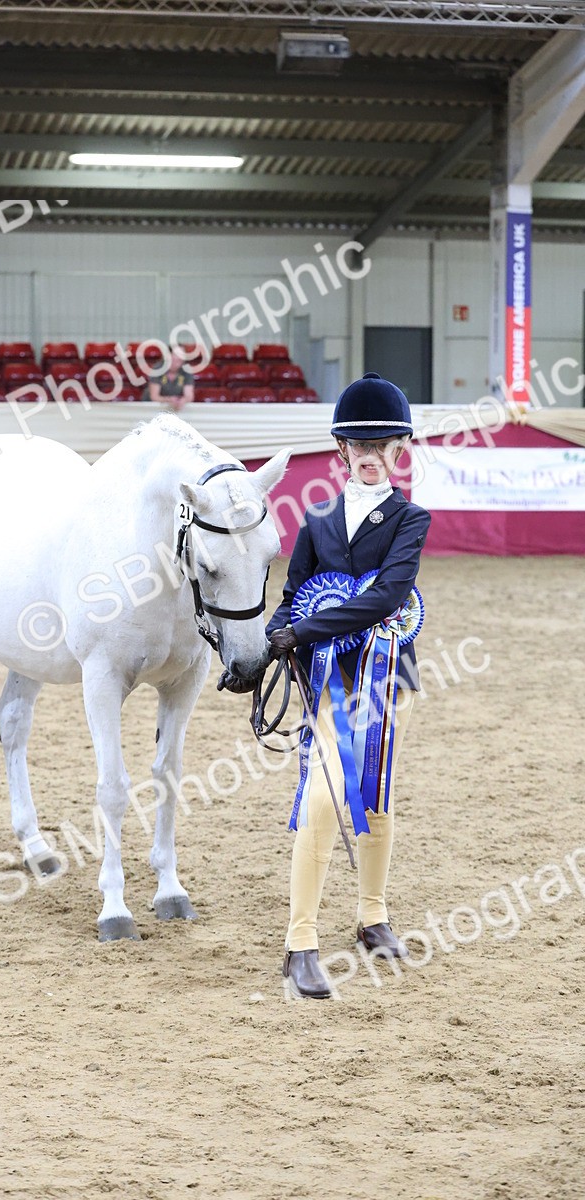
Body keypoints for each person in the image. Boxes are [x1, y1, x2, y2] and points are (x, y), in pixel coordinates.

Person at [263, 371, 431, 999]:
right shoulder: (317, 519)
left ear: (398, 450)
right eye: (356, 444)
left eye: (380, 442)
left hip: (390, 680)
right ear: (340, 451)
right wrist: (268, 645)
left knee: (376, 794)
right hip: (328, 684)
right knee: (321, 800)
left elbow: (386, 597)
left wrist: (301, 632)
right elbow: (292, 596)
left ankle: (371, 914)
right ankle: (299, 943)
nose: (367, 453)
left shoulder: (411, 520)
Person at [145, 345, 195, 412]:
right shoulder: (158, 369)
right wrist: (169, 400)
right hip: (152, 407)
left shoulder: (186, 370)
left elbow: (189, 395)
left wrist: (183, 400)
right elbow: (154, 396)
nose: (180, 357)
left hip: (175, 407)